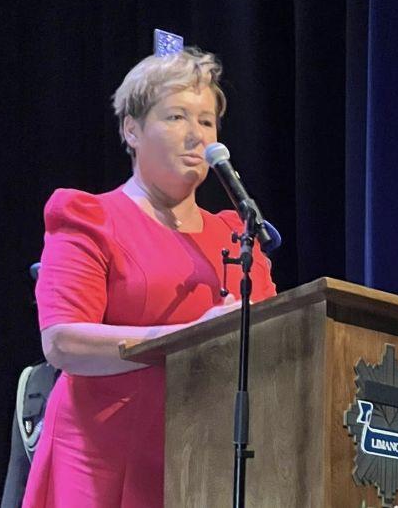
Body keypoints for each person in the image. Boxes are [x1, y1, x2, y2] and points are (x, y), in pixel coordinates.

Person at [22, 47, 277, 507]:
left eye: (206, 121)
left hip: (207, 461)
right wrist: (186, 338)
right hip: (102, 461)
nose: (196, 135)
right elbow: (62, 342)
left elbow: (275, 340)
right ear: (132, 130)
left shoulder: (239, 235)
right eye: (176, 117)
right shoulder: (89, 217)